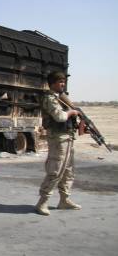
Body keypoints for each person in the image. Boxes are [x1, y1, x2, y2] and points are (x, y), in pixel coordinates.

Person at [35, 71, 82, 216]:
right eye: (60, 81)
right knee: (55, 171)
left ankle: (64, 200)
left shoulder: (62, 98)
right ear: (53, 83)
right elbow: (60, 117)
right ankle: (42, 202)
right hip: (58, 139)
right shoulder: (49, 98)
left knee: (68, 171)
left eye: (63, 81)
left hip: (67, 138)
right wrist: (71, 113)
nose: (63, 84)